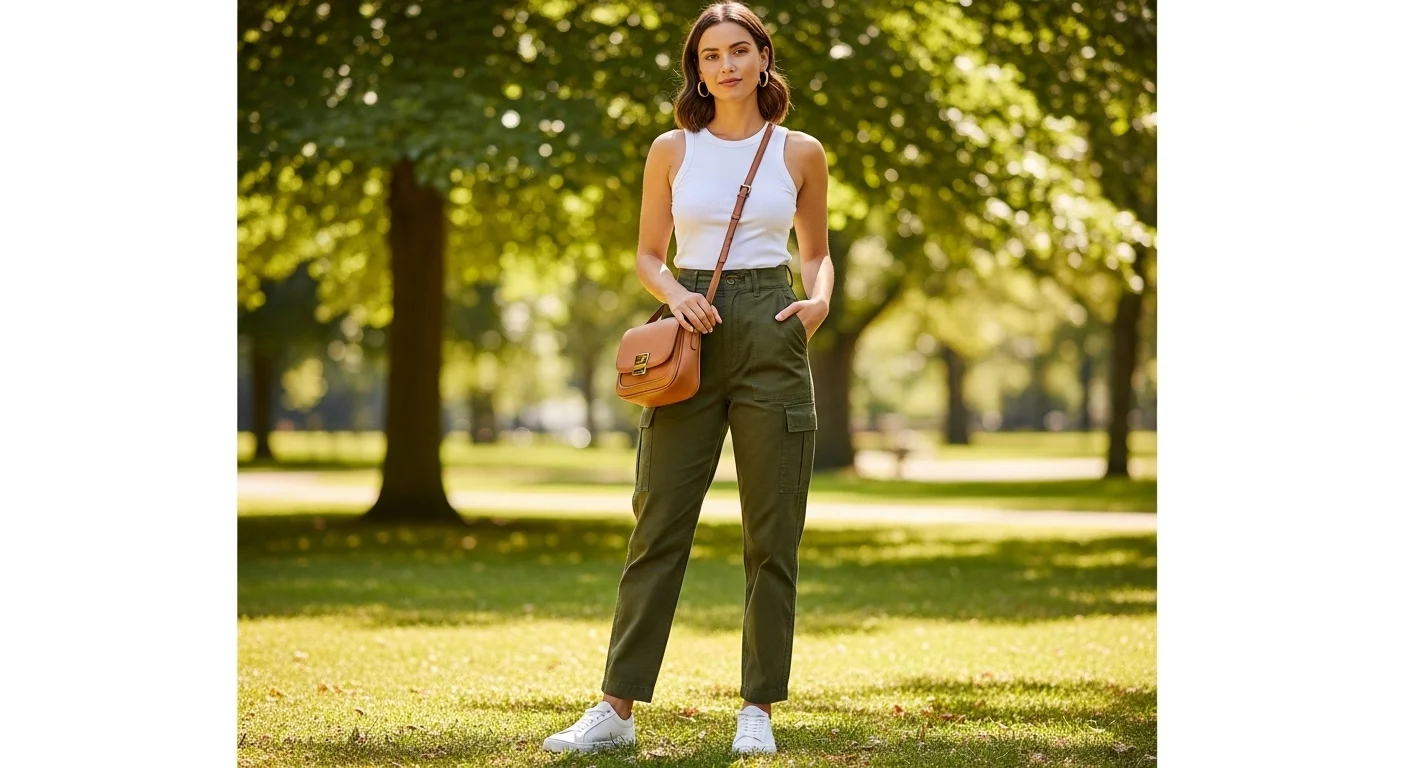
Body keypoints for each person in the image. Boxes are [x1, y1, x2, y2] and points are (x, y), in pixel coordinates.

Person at [542, 1, 834, 756]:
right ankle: (615, 711)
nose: (726, 65)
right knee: (658, 523)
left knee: (773, 536)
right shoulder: (672, 150)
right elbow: (647, 253)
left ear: (763, 57)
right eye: (710, 56)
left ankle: (758, 711)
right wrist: (675, 295)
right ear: (696, 70)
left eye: (739, 50)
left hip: (773, 328)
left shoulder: (799, 151)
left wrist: (819, 301)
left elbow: (816, 249)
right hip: (689, 334)